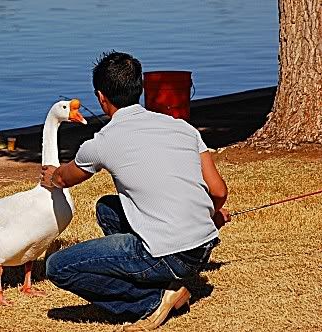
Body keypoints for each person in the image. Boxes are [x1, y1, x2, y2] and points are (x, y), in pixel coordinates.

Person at [40, 51, 230, 331]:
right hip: (202, 248)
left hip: (170, 255)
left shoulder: (102, 142)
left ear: (101, 97)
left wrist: (51, 178)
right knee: (107, 208)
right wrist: (209, 215)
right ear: (139, 90)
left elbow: (66, 178)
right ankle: (157, 277)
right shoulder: (183, 128)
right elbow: (218, 190)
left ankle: (152, 299)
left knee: (58, 267)